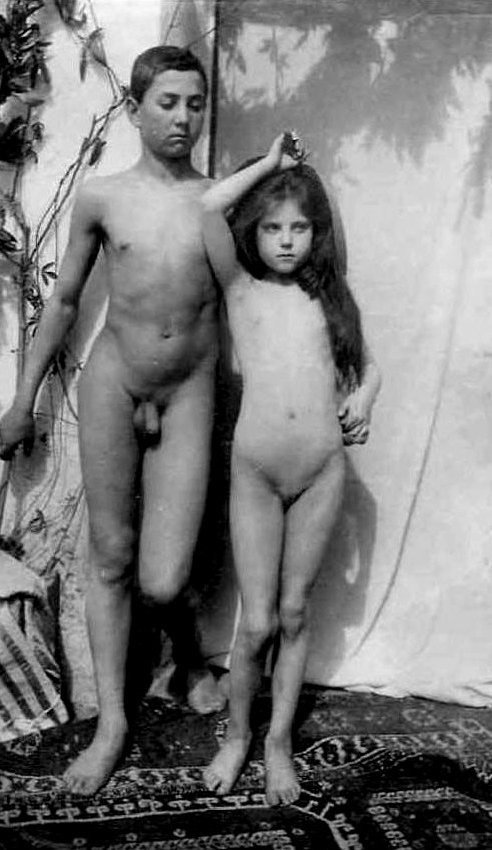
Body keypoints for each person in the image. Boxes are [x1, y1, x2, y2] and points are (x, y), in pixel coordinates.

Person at [0, 45, 225, 796]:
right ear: (134, 109)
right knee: (110, 557)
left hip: (189, 391)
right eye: (167, 103)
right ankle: (113, 725)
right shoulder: (101, 196)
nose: (183, 118)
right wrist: (22, 400)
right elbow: (65, 302)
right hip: (114, 385)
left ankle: (187, 655)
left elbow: (262, 297)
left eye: (195, 104)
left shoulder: (220, 199)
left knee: (163, 578)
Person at [200, 134, 381, 806]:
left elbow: (370, 368)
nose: (284, 241)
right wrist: (271, 166)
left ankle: (277, 743)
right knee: (256, 624)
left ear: (316, 233)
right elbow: (206, 211)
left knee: (295, 611)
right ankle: (236, 735)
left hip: (321, 471)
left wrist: (363, 397)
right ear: (253, 232)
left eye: (298, 228)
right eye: (271, 228)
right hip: (256, 470)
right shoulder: (241, 289)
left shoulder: (329, 298)